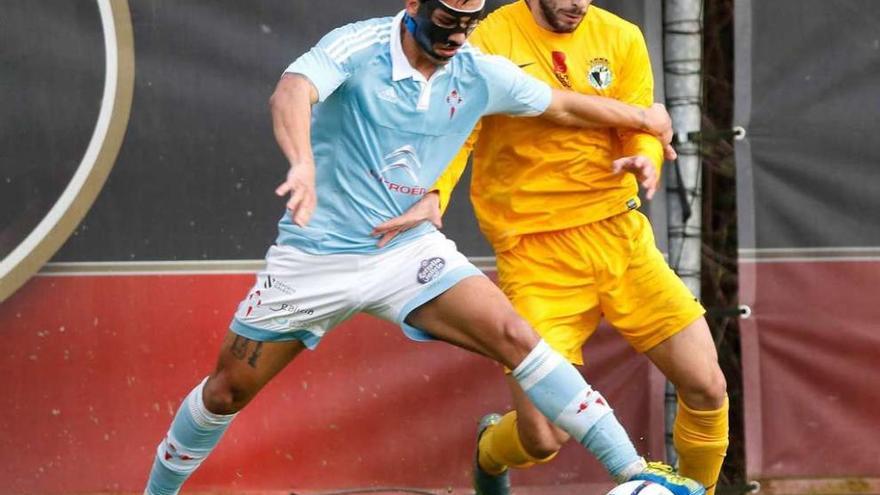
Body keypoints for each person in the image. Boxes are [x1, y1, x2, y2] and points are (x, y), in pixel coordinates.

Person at [143, 1, 704, 494]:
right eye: (446, 19)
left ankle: (635, 474)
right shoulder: (358, 45)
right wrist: (303, 163)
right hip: (317, 259)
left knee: (516, 336)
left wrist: (645, 119)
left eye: (469, 22)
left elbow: (561, 105)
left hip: (407, 253)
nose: (457, 35)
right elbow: (291, 91)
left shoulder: (478, 71)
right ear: (414, 5)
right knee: (225, 393)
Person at [376, 1, 729, 495]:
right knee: (543, 438)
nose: (575, 4)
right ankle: (488, 454)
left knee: (707, 386)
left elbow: (643, 124)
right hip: (535, 254)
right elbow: (461, 129)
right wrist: (434, 193)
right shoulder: (490, 38)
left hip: (621, 237)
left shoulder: (622, 37)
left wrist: (645, 158)